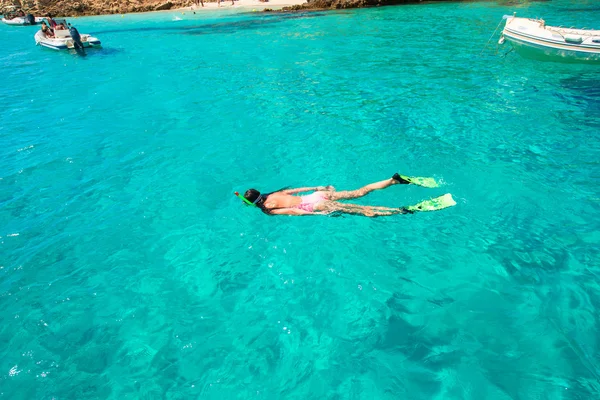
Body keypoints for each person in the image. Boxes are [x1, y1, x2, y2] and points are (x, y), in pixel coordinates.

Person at [236, 173, 456, 217]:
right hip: (317, 195)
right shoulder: (276, 192)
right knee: (361, 191)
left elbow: (294, 211)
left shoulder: (268, 209)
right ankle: (393, 180)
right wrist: (321, 187)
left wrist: (319, 214)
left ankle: (403, 210)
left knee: (366, 212)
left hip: (313, 206)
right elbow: (298, 190)